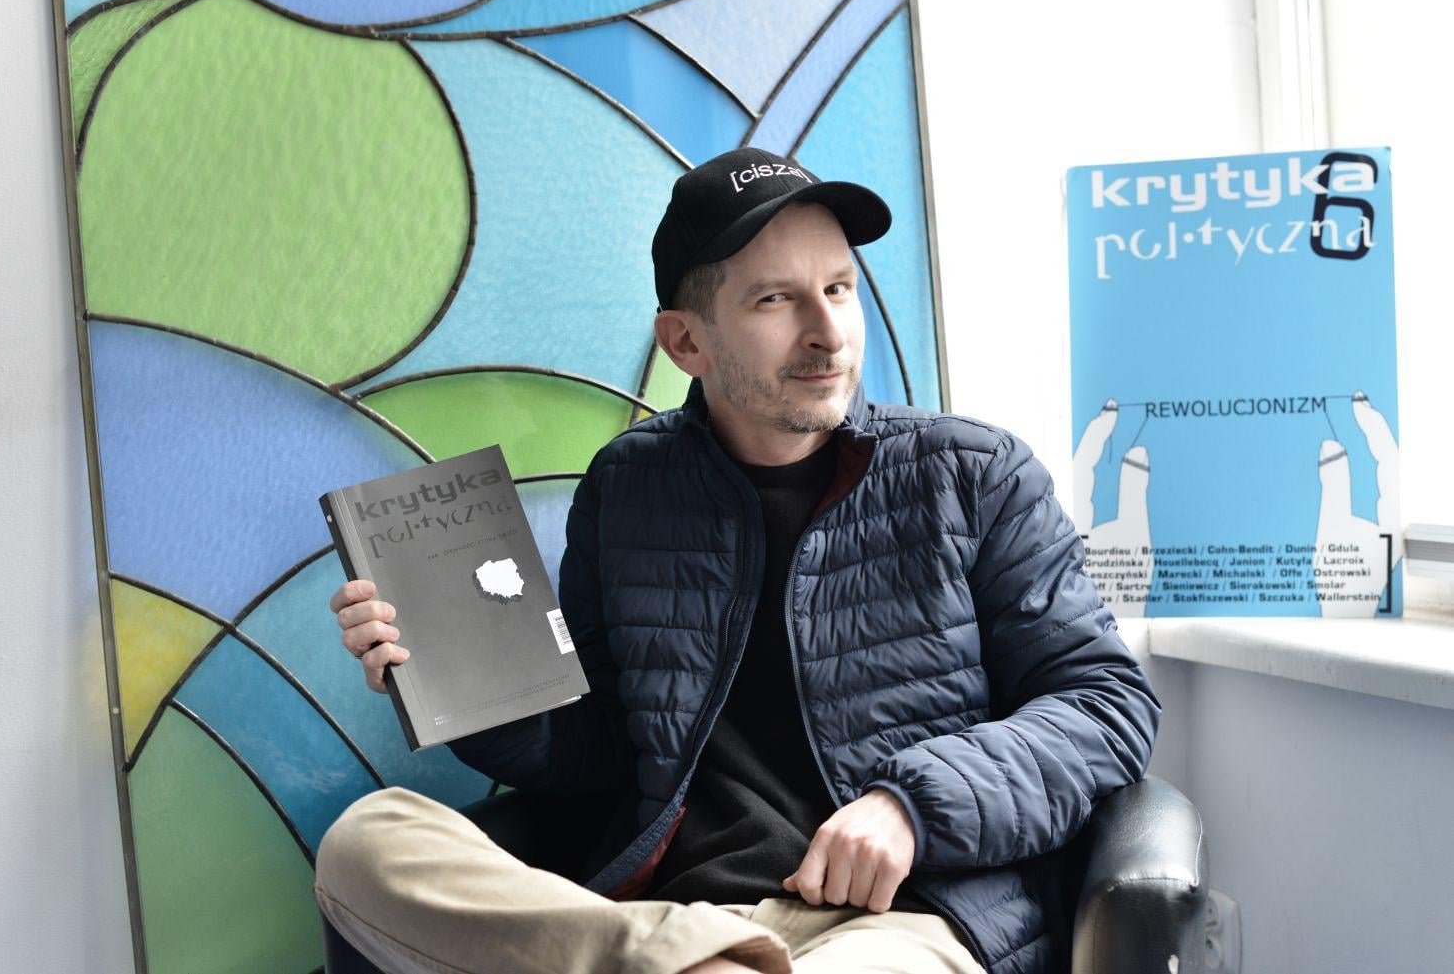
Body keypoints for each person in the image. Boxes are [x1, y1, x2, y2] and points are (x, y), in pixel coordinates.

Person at [314, 147, 1162, 974]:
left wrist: (912, 804)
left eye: (839, 289)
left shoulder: (972, 473)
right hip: (677, 915)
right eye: (775, 300)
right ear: (686, 341)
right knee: (369, 840)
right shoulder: (628, 486)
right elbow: (594, 750)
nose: (827, 333)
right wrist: (454, 676)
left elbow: (1105, 703)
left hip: (902, 920)